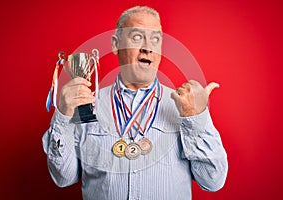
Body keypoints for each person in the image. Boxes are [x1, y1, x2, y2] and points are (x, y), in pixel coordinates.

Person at [42, 6, 228, 200]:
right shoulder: (87, 104)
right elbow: (63, 177)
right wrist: (63, 116)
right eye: (137, 37)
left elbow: (212, 181)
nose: (148, 47)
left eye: (155, 39)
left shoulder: (186, 107)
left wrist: (196, 119)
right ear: (116, 44)